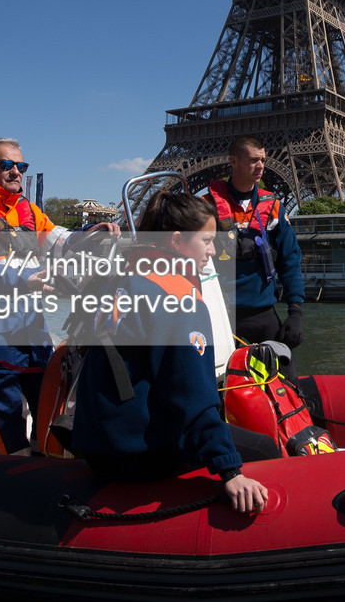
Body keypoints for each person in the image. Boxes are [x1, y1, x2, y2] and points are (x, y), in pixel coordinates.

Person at [68, 191, 276, 514]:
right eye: (206, 241)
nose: (213, 251)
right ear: (177, 241)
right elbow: (190, 395)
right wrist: (229, 470)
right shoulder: (179, 296)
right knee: (264, 447)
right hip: (138, 455)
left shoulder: (122, 280)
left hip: (100, 447)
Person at [0, 137, 120, 453]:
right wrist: (26, 278)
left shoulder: (28, 211)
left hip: (27, 330)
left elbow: (60, 240)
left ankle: (44, 456)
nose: (16, 172)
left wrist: (92, 233)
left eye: (21, 166)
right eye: (6, 165)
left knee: (49, 396)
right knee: (6, 409)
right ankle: (15, 466)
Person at [203, 136, 305, 349]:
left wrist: (295, 311)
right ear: (233, 161)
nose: (260, 166)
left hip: (262, 312)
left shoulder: (274, 208)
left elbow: (290, 258)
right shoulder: (205, 206)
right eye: (253, 160)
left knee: (285, 370)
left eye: (263, 160)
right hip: (219, 313)